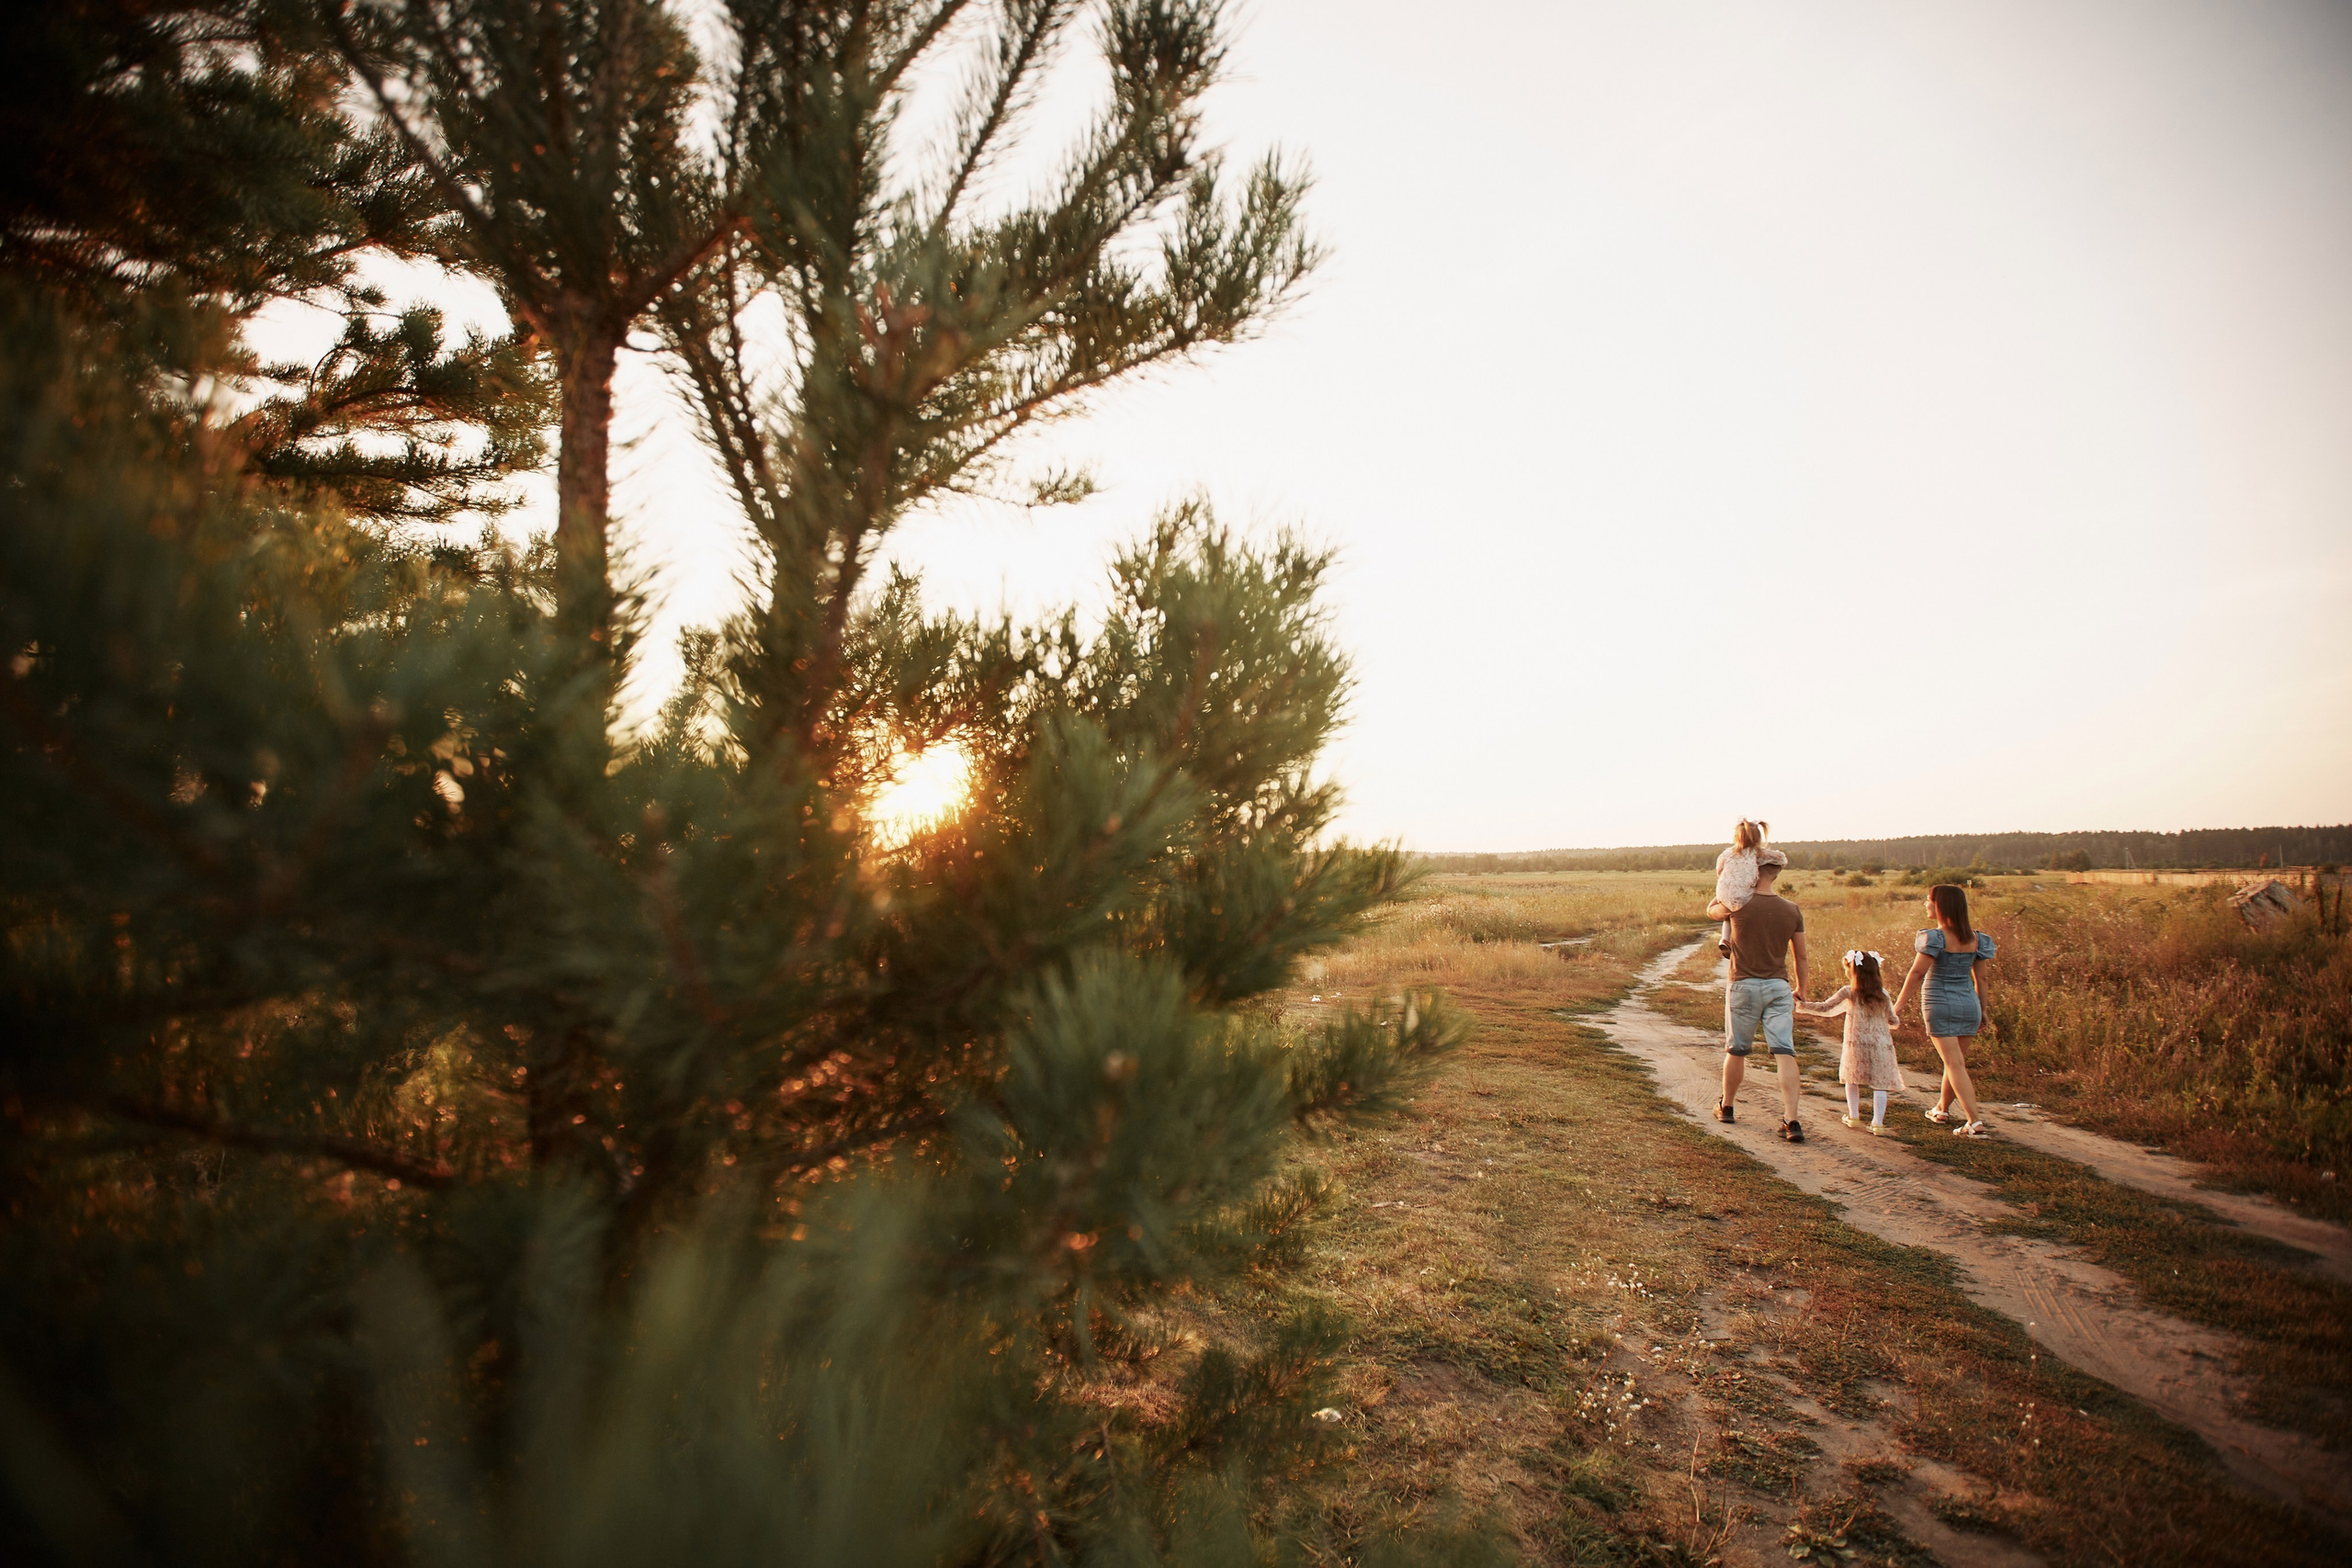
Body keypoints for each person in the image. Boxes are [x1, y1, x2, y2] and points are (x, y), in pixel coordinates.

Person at [1705, 858, 1809, 1141]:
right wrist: (1802, 989)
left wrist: (1727, 886)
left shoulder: (1737, 904)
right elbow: (1801, 957)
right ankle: (1792, 1120)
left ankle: (1727, 1106)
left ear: (1752, 871)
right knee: (1784, 1051)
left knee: (1737, 1049)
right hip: (1778, 986)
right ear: (1776, 874)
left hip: (1743, 984)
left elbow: (1711, 911)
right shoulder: (1791, 909)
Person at [1890, 884, 1997, 1137]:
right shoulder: (1977, 939)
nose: (1925, 904)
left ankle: (1974, 1122)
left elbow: (1917, 974)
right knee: (1955, 1061)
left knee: (1954, 1063)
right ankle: (1941, 1109)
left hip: (1939, 1002)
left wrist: (1897, 1006)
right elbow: (1982, 980)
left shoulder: (1935, 938)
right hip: (1969, 1004)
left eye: (1929, 900)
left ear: (1941, 905)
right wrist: (1983, 1010)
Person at [1798, 950, 1905, 1134]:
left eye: (1847, 968)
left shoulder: (1848, 992)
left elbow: (1825, 1007)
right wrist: (1891, 1020)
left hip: (1856, 1043)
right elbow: (1892, 1020)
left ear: (1854, 972)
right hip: (1881, 1044)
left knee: (1852, 1077)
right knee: (1880, 1082)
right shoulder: (1883, 994)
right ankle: (1877, 1123)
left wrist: (1802, 1005)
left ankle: (1853, 1116)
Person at [1712, 818, 1781, 956]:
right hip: (1745, 894)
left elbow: (1719, 871)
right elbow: (1781, 859)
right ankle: (1744, 943)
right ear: (1758, 838)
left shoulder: (1726, 854)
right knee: (1744, 911)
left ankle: (1725, 938)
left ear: (1736, 836)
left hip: (1723, 893)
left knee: (1728, 916)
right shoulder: (1757, 853)